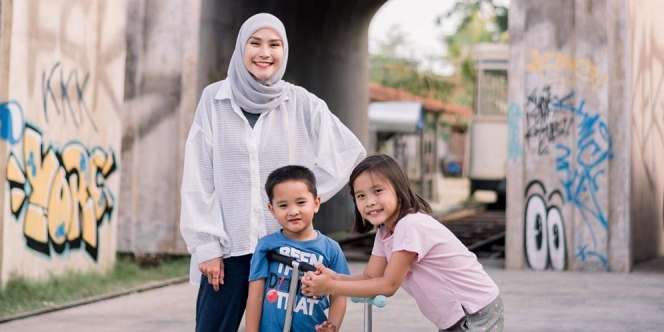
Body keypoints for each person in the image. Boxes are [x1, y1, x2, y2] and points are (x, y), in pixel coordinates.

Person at [179, 13, 365, 332]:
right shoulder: (215, 100)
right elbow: (198, 177)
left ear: (284, 50)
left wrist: (300, 199)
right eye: (255, 43)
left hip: (285, 251)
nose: (265, 53)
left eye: (274, 44)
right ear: (241, 48)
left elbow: (348, 152)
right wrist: (205, 246)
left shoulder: (300, 103)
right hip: (228, 251)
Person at [301, 154, 504, 332]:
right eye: (361, 196)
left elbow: (388, 285)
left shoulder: (410, 225)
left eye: (378, 191)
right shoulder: (385, 231)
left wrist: (332, 287)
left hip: (474, 310)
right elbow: (370, 276)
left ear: (398, 190)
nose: (369, 201)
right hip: (456, 316)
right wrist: (335, 278)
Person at [246, 165, 348, 332]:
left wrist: (332, 326)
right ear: (272, 210)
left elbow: (340, 295)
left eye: (301, 202)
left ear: (316, 203)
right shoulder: (266, 246)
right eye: (283, 205)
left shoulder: (331, 249)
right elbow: (255, 296)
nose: (293, 211)